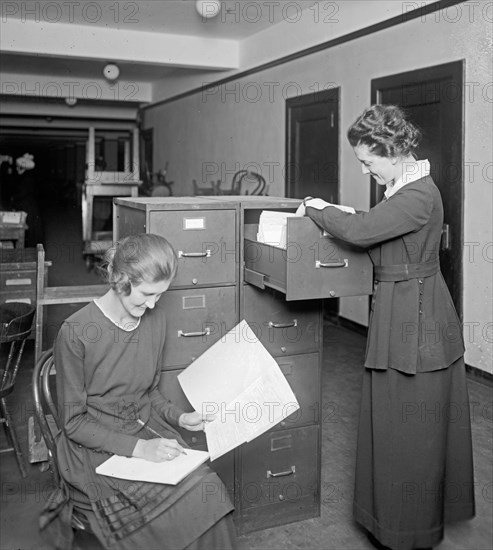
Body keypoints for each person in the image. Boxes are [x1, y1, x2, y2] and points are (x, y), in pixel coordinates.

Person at [296, 105, 475, 550]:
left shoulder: (417, 195)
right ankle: (393, 518)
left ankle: (406, 529)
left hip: (415, 318)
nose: (365, 168)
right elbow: (376, 228)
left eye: (367, 159)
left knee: (408, 428)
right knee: (395, 420)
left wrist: (319, 210)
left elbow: (362, 233)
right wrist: (341, 213)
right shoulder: (405, 188)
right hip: (404, 309)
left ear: (392, 150)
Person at [40, 233, 236, 550]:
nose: (153, 304)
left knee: (207, 491)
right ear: (119, 280)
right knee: (166, 511)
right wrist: (140, 450)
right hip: (93, 450)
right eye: (146, 294)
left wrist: (179, 417)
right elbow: (74, 423)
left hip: (144, 432)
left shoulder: (155, 321)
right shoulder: (76, 332)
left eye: (161, 295)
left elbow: (149, 392)